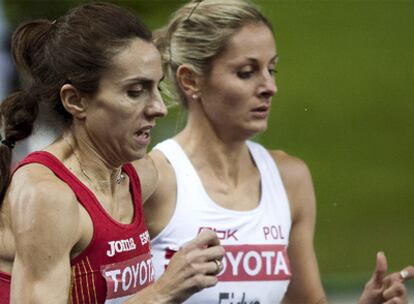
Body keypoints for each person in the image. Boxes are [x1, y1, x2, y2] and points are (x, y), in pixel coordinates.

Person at [142, 0, 414, 303]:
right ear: (190, 80)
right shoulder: (153, 180)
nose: (269, 86)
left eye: (271, 69)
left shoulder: (289, 180)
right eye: (247, 72)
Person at [0, 2, 224, 303]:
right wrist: (162, 292)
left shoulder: (141, 176)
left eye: (157, 87)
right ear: (75, 100)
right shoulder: (47, 197)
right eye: (135, 91)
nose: (158, 108)